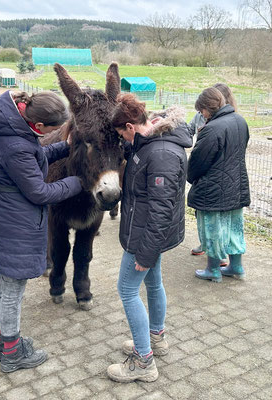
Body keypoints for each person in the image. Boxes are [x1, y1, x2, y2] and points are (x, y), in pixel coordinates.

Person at [0, 90, 82, 373]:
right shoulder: (16, 145)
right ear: (38, 127)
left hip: (3, 217)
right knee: (13, 290)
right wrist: (76, 182)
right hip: (16, 225)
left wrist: (64, 146)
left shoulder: (8, 129)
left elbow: (35, 154)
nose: (54, 133)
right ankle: (12, 353)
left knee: (4, 283)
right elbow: (39, 191)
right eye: (53, 130)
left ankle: (0, 343)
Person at [107, 94, 192, 383]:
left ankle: (144, 362)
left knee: (127, 290)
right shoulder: (151, 142)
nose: (123, 139)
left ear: (131, 126)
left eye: (121, 134)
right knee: (154, 284)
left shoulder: (162, 153)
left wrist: (145, 252)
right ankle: (156, 338)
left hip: (145, 236)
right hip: (147, 233)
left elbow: (161, 209)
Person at [187, 87, 250, 283]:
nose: (201, 114)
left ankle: (213, 270)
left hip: (212, 190)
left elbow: (198, 161)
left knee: (212, 229)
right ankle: (236, 267)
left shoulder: (212, 129)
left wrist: (191, 177)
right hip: (237, 186)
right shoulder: (240, 121)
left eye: (201, 110)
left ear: (208, 108)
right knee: (234, 228)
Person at [189, 83, 238, 263]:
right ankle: (208, 246)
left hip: (214, 175)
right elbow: (189, 130)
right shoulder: (200, 117)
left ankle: (216, 259)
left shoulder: (223, 123)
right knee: (204, 216)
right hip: (209, 173)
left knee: (216, 219)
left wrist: (191, 173)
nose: (202, 114)